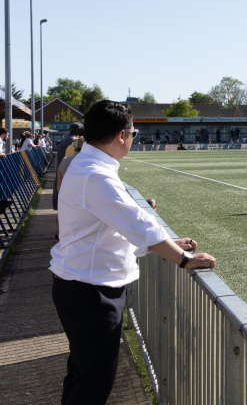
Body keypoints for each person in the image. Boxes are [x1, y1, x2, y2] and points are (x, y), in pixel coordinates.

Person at [51, 100, 216, 405]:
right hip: (91, 292)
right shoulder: (95, 175)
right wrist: (184, 259)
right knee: (93, 381)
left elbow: (112, 229)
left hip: (79, 285)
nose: (132, 138)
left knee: (81, 374)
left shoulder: (87, 166)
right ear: (120, 136)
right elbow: (140, 225)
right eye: (133, 132)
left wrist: (169, 245)